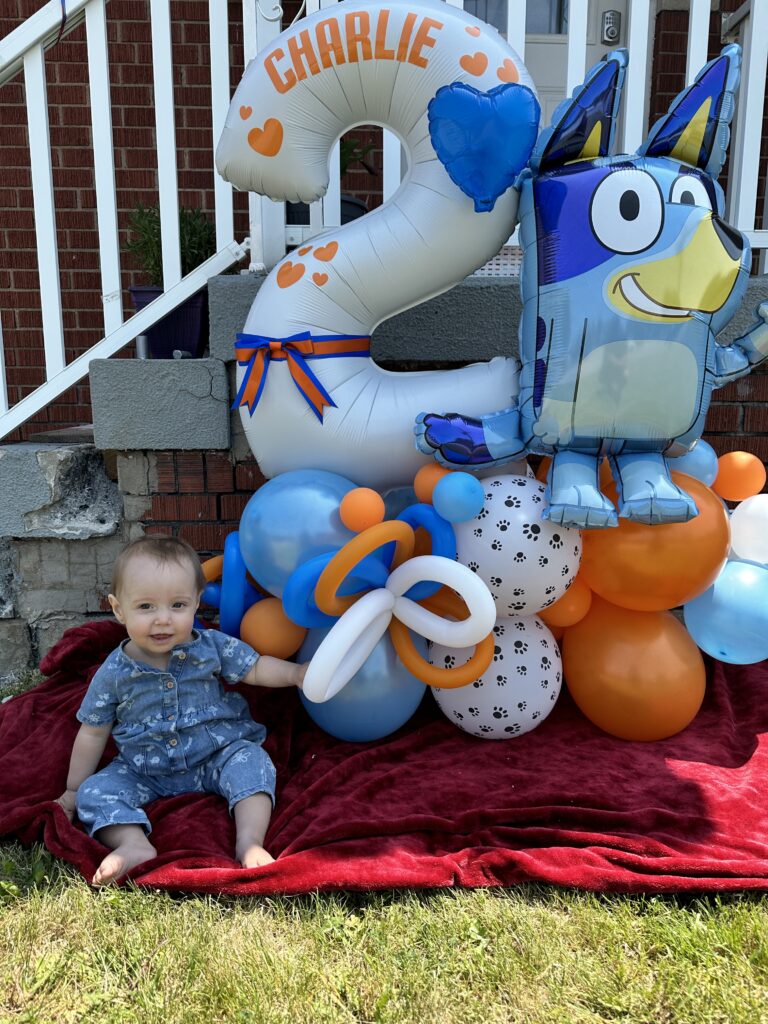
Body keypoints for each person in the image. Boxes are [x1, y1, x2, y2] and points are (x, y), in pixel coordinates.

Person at [55, 534, 306, 885]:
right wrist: (73, 788)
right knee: (95, 793)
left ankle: (249, 843)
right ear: (118, 609)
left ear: (196, 603)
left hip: (216, 753)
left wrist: (296, 673)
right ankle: (133, 844)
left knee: (252, 762)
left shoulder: (211, 647)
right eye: (146, 607)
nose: (163, 620)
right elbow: (93, 730)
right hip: (145, 767)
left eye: (177, 605)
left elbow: (255, 668)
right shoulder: (113, 672)